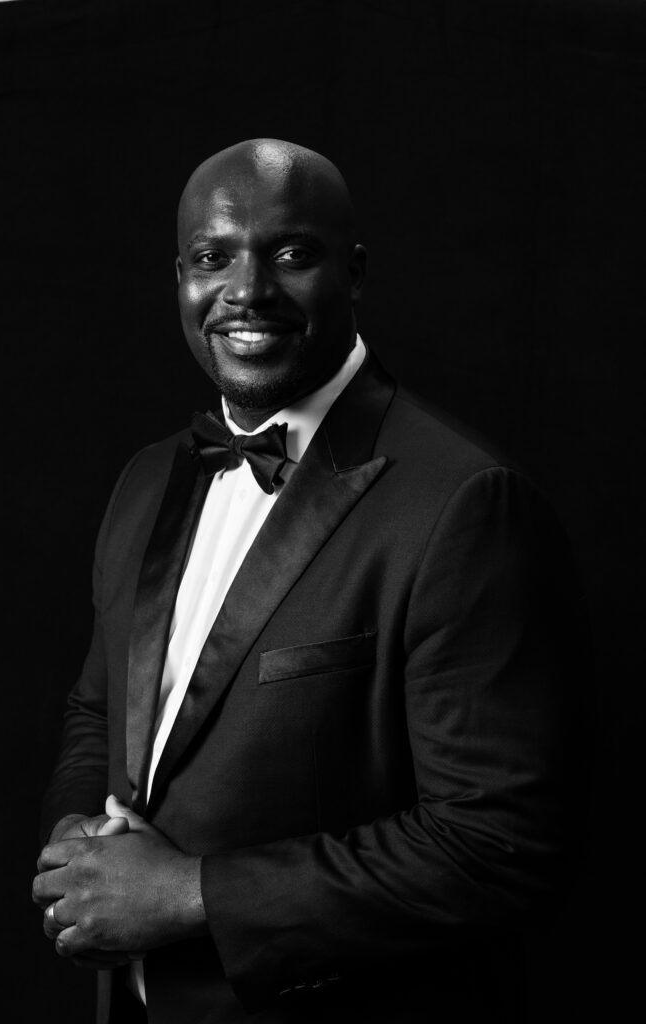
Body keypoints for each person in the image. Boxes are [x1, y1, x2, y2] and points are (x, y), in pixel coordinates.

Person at [33, 139, 587, 1024]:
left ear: (354, 273)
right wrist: (76, 846)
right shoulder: (144, 480)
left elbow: (496, 846)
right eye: (214, 258)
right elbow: (99, 712)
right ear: (180, 275)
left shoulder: (464, 504)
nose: (246, 292)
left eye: (290, 255)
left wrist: (192, 895)